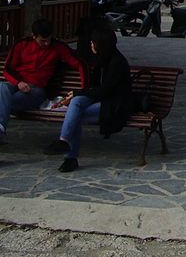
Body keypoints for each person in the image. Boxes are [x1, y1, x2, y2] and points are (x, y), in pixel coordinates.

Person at [44, 25, 134, 173]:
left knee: (75, 113)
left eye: (93, 42)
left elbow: (105, 91)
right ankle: (64, 141)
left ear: (100, 44)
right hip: (101, 99)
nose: (91, 44)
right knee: (76, 103)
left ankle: (70, 156)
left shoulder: (117, 63)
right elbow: (93, 86)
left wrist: (79, 92)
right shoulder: (103, 59)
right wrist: (76, 95)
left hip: (115, 105)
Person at [0, 19, 83, 144]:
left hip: (37, 89)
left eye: (49, 39)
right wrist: (19, 83)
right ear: (34, 37)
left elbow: (79, 64)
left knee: (6, 100)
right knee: (2, 86)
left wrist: (84, 87)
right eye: (42, 40)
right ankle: (0, 129)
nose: (46, 43)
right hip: (18, 83)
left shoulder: (58, 47)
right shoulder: (22, 45)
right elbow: (8, 69)